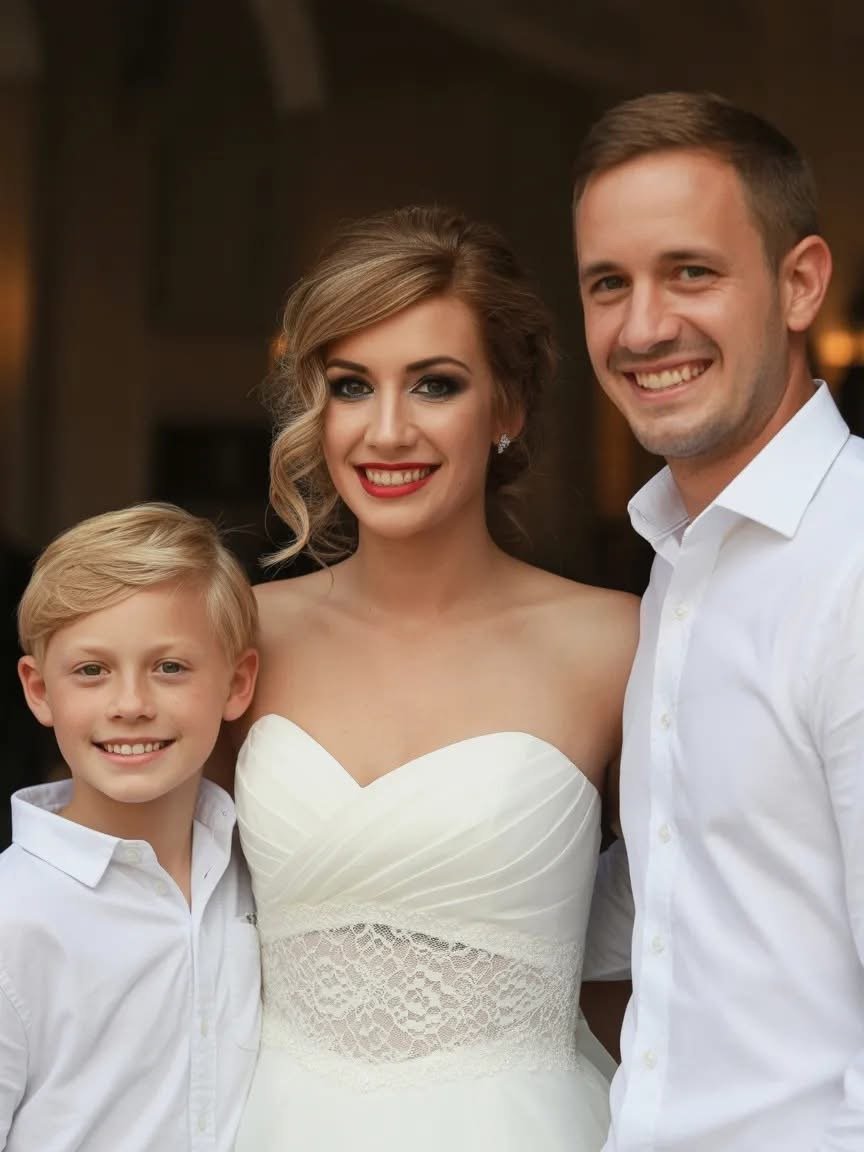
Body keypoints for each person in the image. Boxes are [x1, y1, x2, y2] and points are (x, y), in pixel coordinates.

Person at [231, 205, 639, 1151]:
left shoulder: (615, 645)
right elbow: (144, 904)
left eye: (435, 384)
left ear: (508, 407)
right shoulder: (243, 634)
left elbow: (696, 935)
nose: (387, 431)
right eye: (351, 386)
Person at [573, 90, 864, 1152]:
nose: (643, 327)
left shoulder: (852, 562)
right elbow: (689, 883)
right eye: (609, 283)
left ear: (800, 284)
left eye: (690, 271)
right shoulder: (681, 564)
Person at [0, 503, 261, 1151]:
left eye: (170, 667)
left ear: (237, 682)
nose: (131, 705)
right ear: (39, 691)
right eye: (91, 670)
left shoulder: (256, 874)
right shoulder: (13, 917)